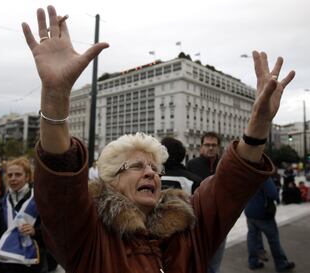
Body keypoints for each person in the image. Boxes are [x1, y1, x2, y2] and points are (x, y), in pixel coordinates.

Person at [22, 5, 295, 273]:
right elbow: (60, 187)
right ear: (111, 180)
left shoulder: (189, 227)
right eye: (138, 166)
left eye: (154, 168)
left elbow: (231, 186)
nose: (151, 173)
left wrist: (258, 126)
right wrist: (55, 97)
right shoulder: (88, 235)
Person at [0, 157, 49, 273]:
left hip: (32, 266)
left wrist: (35, 232)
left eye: (18, 175)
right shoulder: (2, 203)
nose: (13, 179)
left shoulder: (39, 201)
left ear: (27, 177)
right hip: (5, 265)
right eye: (10, 175)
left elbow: (53, 233)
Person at [187, 132, 225, 273]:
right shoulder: (192, 165)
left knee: (214, 265)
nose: (210, 148)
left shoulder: (224, 164)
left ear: (219, 147)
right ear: (201, 147)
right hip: (197, 222)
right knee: (195, 262)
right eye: (207, 145)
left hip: (219, 223)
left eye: (214, 145)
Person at [245, 178, 295, 271]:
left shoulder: (246, 175)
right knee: (273, 240)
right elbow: (274, 194)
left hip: (249, 212)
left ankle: (253, 262)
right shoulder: (263, 176)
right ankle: (281, 264)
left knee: (252, 238)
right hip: (263, 213)